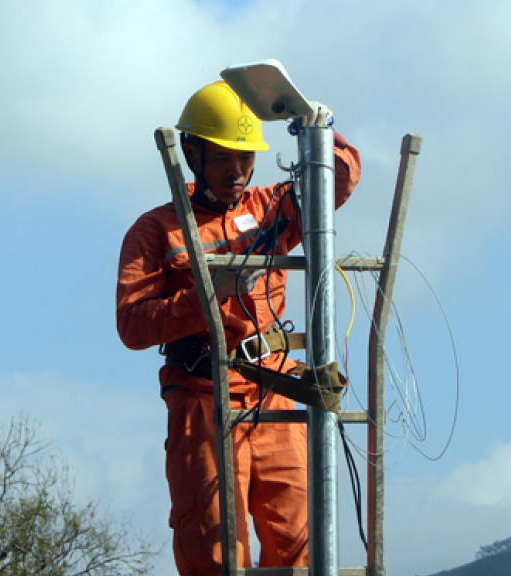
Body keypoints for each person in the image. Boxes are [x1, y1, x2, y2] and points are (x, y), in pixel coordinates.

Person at [115, 80, 362, 574]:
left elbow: (338, 180)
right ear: (193, 152)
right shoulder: (158, 230)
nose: (237, 171)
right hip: (203, 397)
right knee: (215, 552)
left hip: (273, 386)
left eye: (246, 158)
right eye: (225, 158)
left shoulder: (271, 207)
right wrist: (209, 293)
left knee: (302, 547)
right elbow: (133, 325)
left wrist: (321, 134)